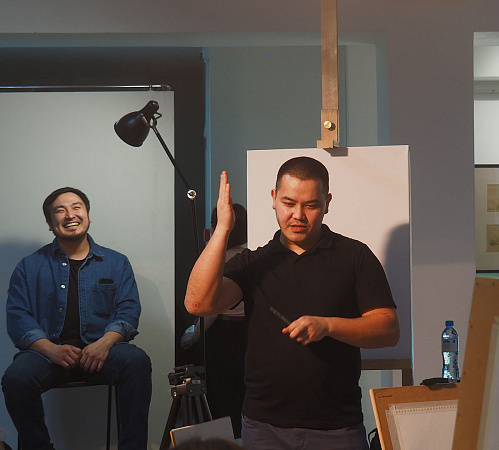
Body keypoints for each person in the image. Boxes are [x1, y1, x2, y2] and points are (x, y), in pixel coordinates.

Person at [184, 157, 400, 450]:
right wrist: (223, 229)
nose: (298, 215)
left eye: (310, 205)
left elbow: (388, 329)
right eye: (289, 203)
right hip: (263, 427)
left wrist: (328, 326)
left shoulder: (354, 256)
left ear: (327, 203)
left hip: (337, 427)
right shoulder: (254, 263)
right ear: (274, 199)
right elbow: (198, 304)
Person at [2, 187, 152, 450]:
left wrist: (104, 344)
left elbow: (129, 310)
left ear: (88, 216)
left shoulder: (116, 262)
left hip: (101, 352)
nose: (70, 214)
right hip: (47, 355)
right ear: (50, 223)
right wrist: (51, 350)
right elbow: (18, 317)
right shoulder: (29, 266)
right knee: (16, 379)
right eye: (60, 211)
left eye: (76, 207)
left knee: (136, 362)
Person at [181, 204, 248, 438]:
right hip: (248, 336)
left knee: (222, 400)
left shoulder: (219, 261)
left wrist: (194, 336)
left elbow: (210, 311)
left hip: (223, 337)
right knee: (243, 399)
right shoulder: (249, 257)